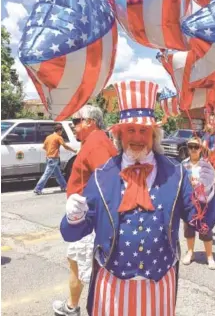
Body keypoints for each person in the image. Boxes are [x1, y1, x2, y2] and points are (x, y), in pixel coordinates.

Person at [60, 80, 215, 316]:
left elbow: (201, 224)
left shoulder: (176, 173)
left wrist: (207, 195)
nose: (137, 137)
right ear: (120, 135)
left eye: (143, 130)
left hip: (159, 283)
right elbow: (73, 233)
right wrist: (74, 217)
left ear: (154, 135)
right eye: (130, 130)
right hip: (111, 284)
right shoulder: (102, 176)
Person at [53, 105, 117, 316]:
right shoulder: (94, 141)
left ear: (91, 122)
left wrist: (91, 213)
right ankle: (73, 306)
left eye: (77, 121)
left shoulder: (97, 143)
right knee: (78, 265)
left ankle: (85, 308)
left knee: (83, 268)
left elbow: (107, 184)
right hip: (84, 217)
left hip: (88, 220)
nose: (73, 125)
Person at [181, 137, 215, 270]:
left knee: (205, 228)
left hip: (203, 202)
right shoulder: (183, 164)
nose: (193, 149)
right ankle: (190, 253)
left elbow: (211, 179)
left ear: (201, 149)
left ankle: (209, 256)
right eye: (191, 147)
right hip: (189, 202)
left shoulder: (206, 164)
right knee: (189, 228)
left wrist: (201, 184)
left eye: (196, 147)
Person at [34, 123, 77, 195]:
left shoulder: (48, 137)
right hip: (54, 158)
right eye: (61, 131)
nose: (62, 132)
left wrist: (50, 151)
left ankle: (64, 186)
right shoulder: (58, 137)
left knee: (58, 174)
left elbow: (44, 147)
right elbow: (65, 146)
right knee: (46, 174)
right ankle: (38, 188)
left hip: (49, 158)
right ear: (59, 130)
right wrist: (74, 151)